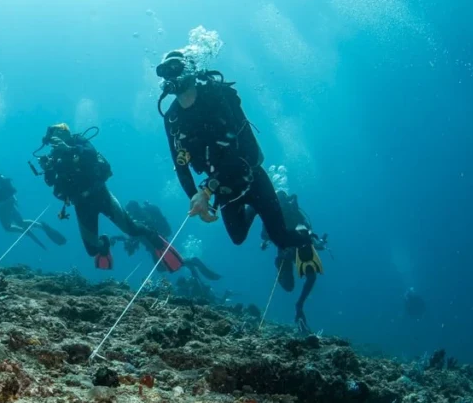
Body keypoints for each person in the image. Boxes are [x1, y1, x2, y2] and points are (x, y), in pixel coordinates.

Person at [155, 50, 323, 276]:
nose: (168, 77)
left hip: (251, 176)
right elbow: (180, 164)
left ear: (190, 71)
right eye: (163, 71)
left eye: (174, 68)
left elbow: (239, 152)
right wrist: (195, 196)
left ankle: (305, 238)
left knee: (281, 239)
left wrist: (207, 190)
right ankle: (253, 209)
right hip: (223, 187)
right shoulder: (172, 118)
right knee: (237, 238)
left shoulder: (218, 96)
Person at [32, 123, 164, 270]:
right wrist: (47, 168)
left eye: (54, 133)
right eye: (51, 136)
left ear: (64, 131)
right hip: (81, 204)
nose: (52, 138)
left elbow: (91, 153)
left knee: (131, 229)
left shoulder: (78, 141)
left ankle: (151, 234)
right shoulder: (55, 156)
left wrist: (69, 149)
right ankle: (104, 243)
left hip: (100, 195)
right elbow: (51, 182)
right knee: (92, 250)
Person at [261, 190, 328, 332]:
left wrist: (316, 242)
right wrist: (317, 242)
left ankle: (299, 305)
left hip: (298, 250)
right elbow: (265, 234)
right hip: (286, 253)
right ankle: (279, 264)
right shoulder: (281, 213)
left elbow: (308, 231)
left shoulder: (290, 212)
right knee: (289, 286)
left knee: (311, 276)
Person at [111, 200, 222, 282]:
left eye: (130, 211)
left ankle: (193, 261)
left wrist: (122, 239)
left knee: (166, 266)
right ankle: (190, 262)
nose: (130, 214)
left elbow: (135, 235)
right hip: (155, 245)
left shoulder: (140, 218)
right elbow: (134, 236)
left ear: (133, 209)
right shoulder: (142, 216)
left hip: (158, 244)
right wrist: (118, 238)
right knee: (161, 268)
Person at [0, 164, 66, 249]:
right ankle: (41, 226)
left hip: (1, 206)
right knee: (20, 221)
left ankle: (24, 232)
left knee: (7, 227)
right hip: (9, 202)